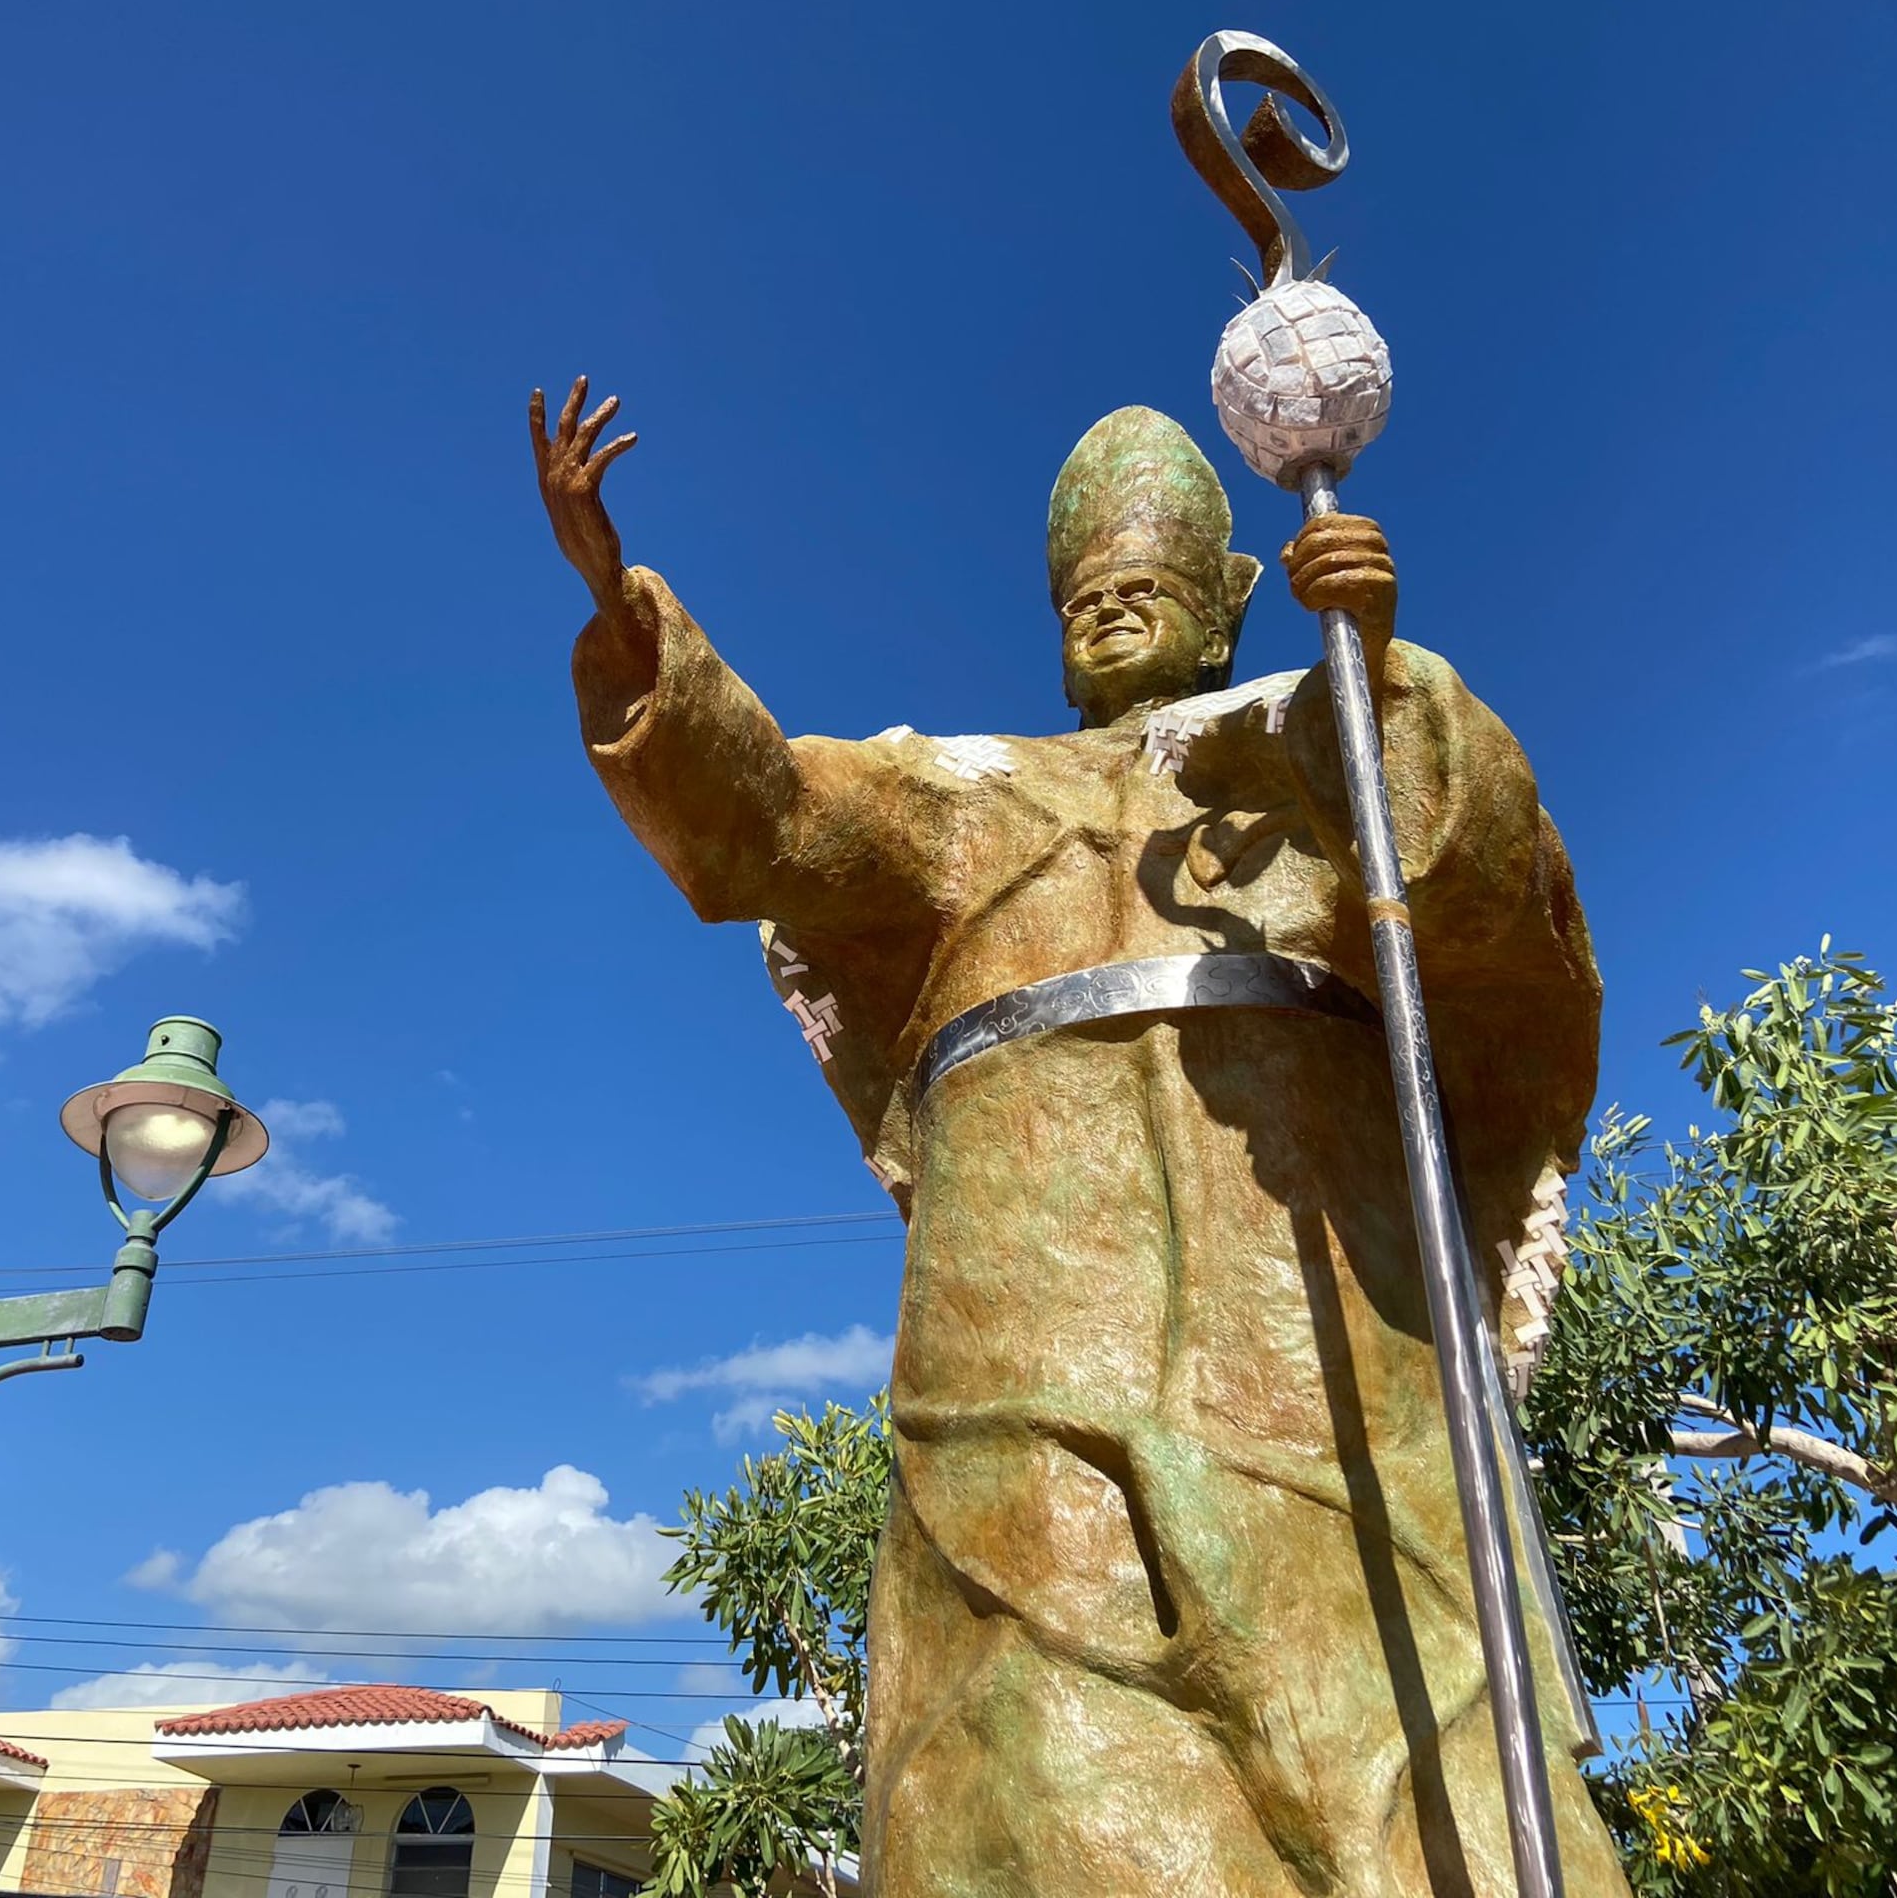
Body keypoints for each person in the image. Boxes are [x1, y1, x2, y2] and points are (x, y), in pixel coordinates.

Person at [533, 376, 1626, 1895]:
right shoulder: (965, 794)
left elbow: (1488, 895)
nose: (1112, 616)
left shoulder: (1326, 747)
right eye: (1088, 599)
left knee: (1392, 1710)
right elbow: (764, 816)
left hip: (1306, 1300)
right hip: (1023, 1322)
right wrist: (622, 603)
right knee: (1037, 1721)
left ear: (1228, 605)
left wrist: (1374, 672)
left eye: (1150, 593)